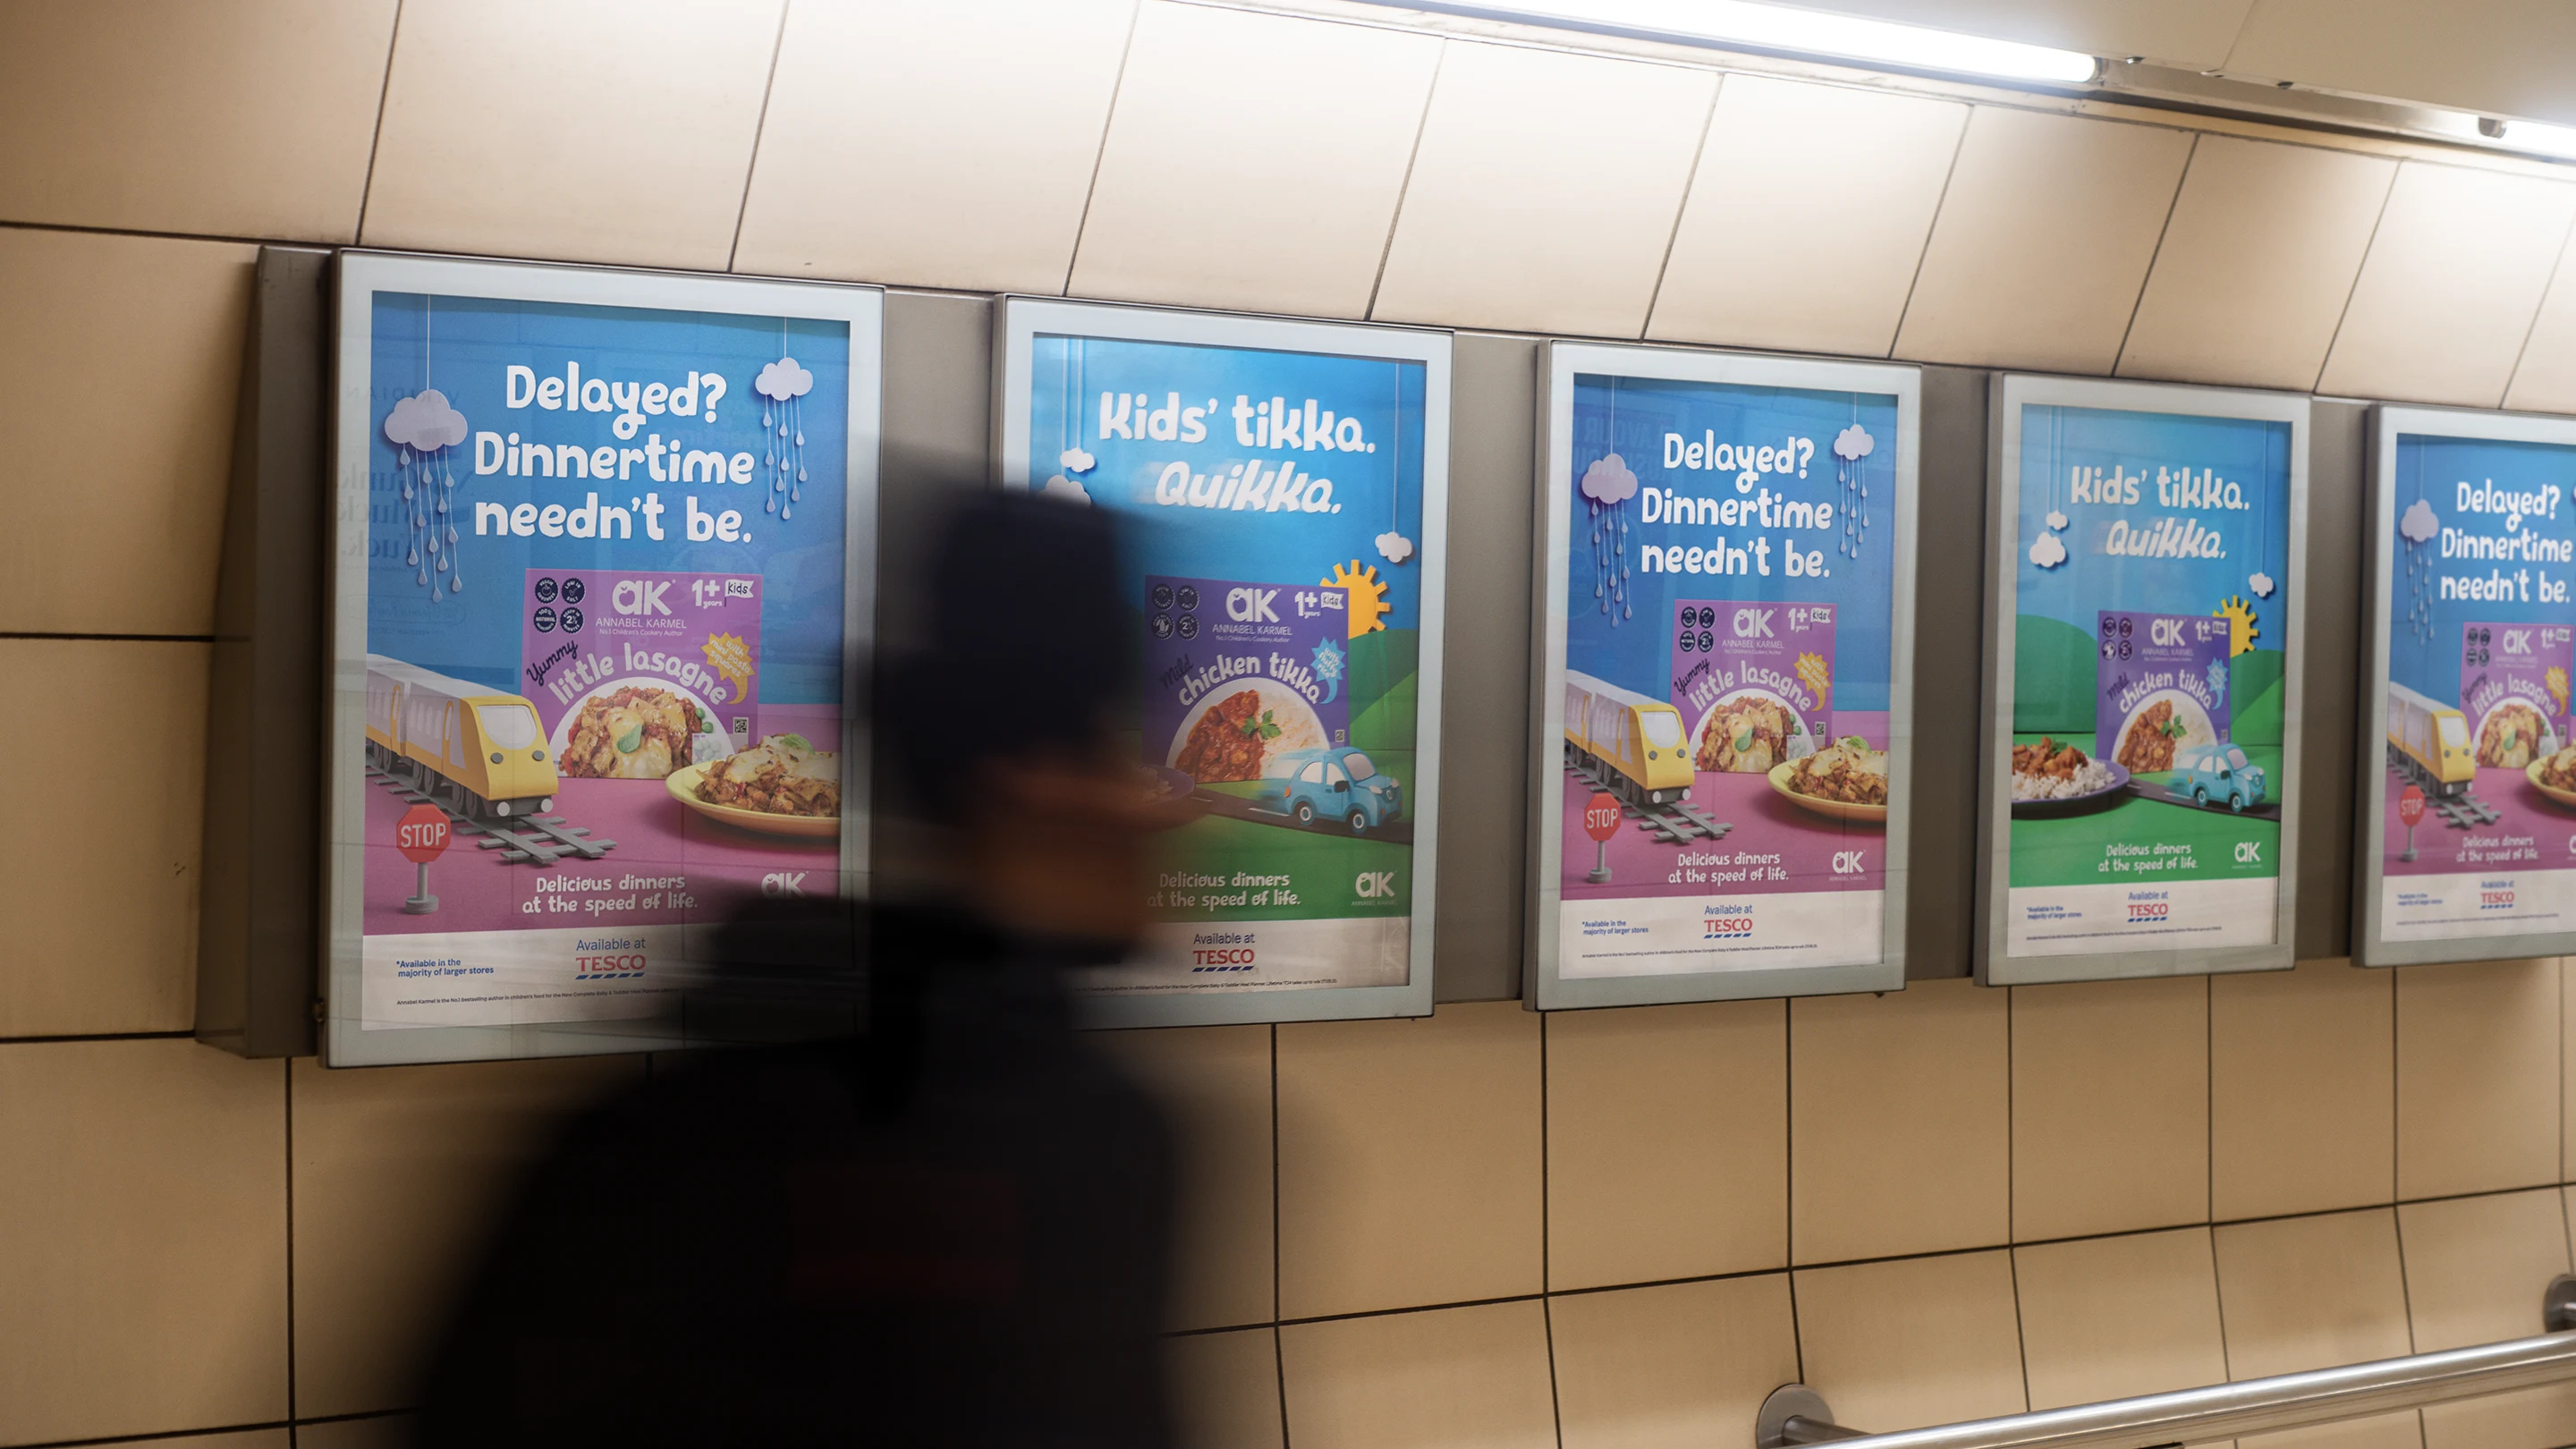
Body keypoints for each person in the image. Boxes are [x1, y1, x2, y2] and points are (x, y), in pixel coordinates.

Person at [415, 493, 1193, 1447]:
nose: (1159, 806)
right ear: (1031, 779)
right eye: (1123, 749)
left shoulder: (658, 1125)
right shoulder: (1082, 1141)